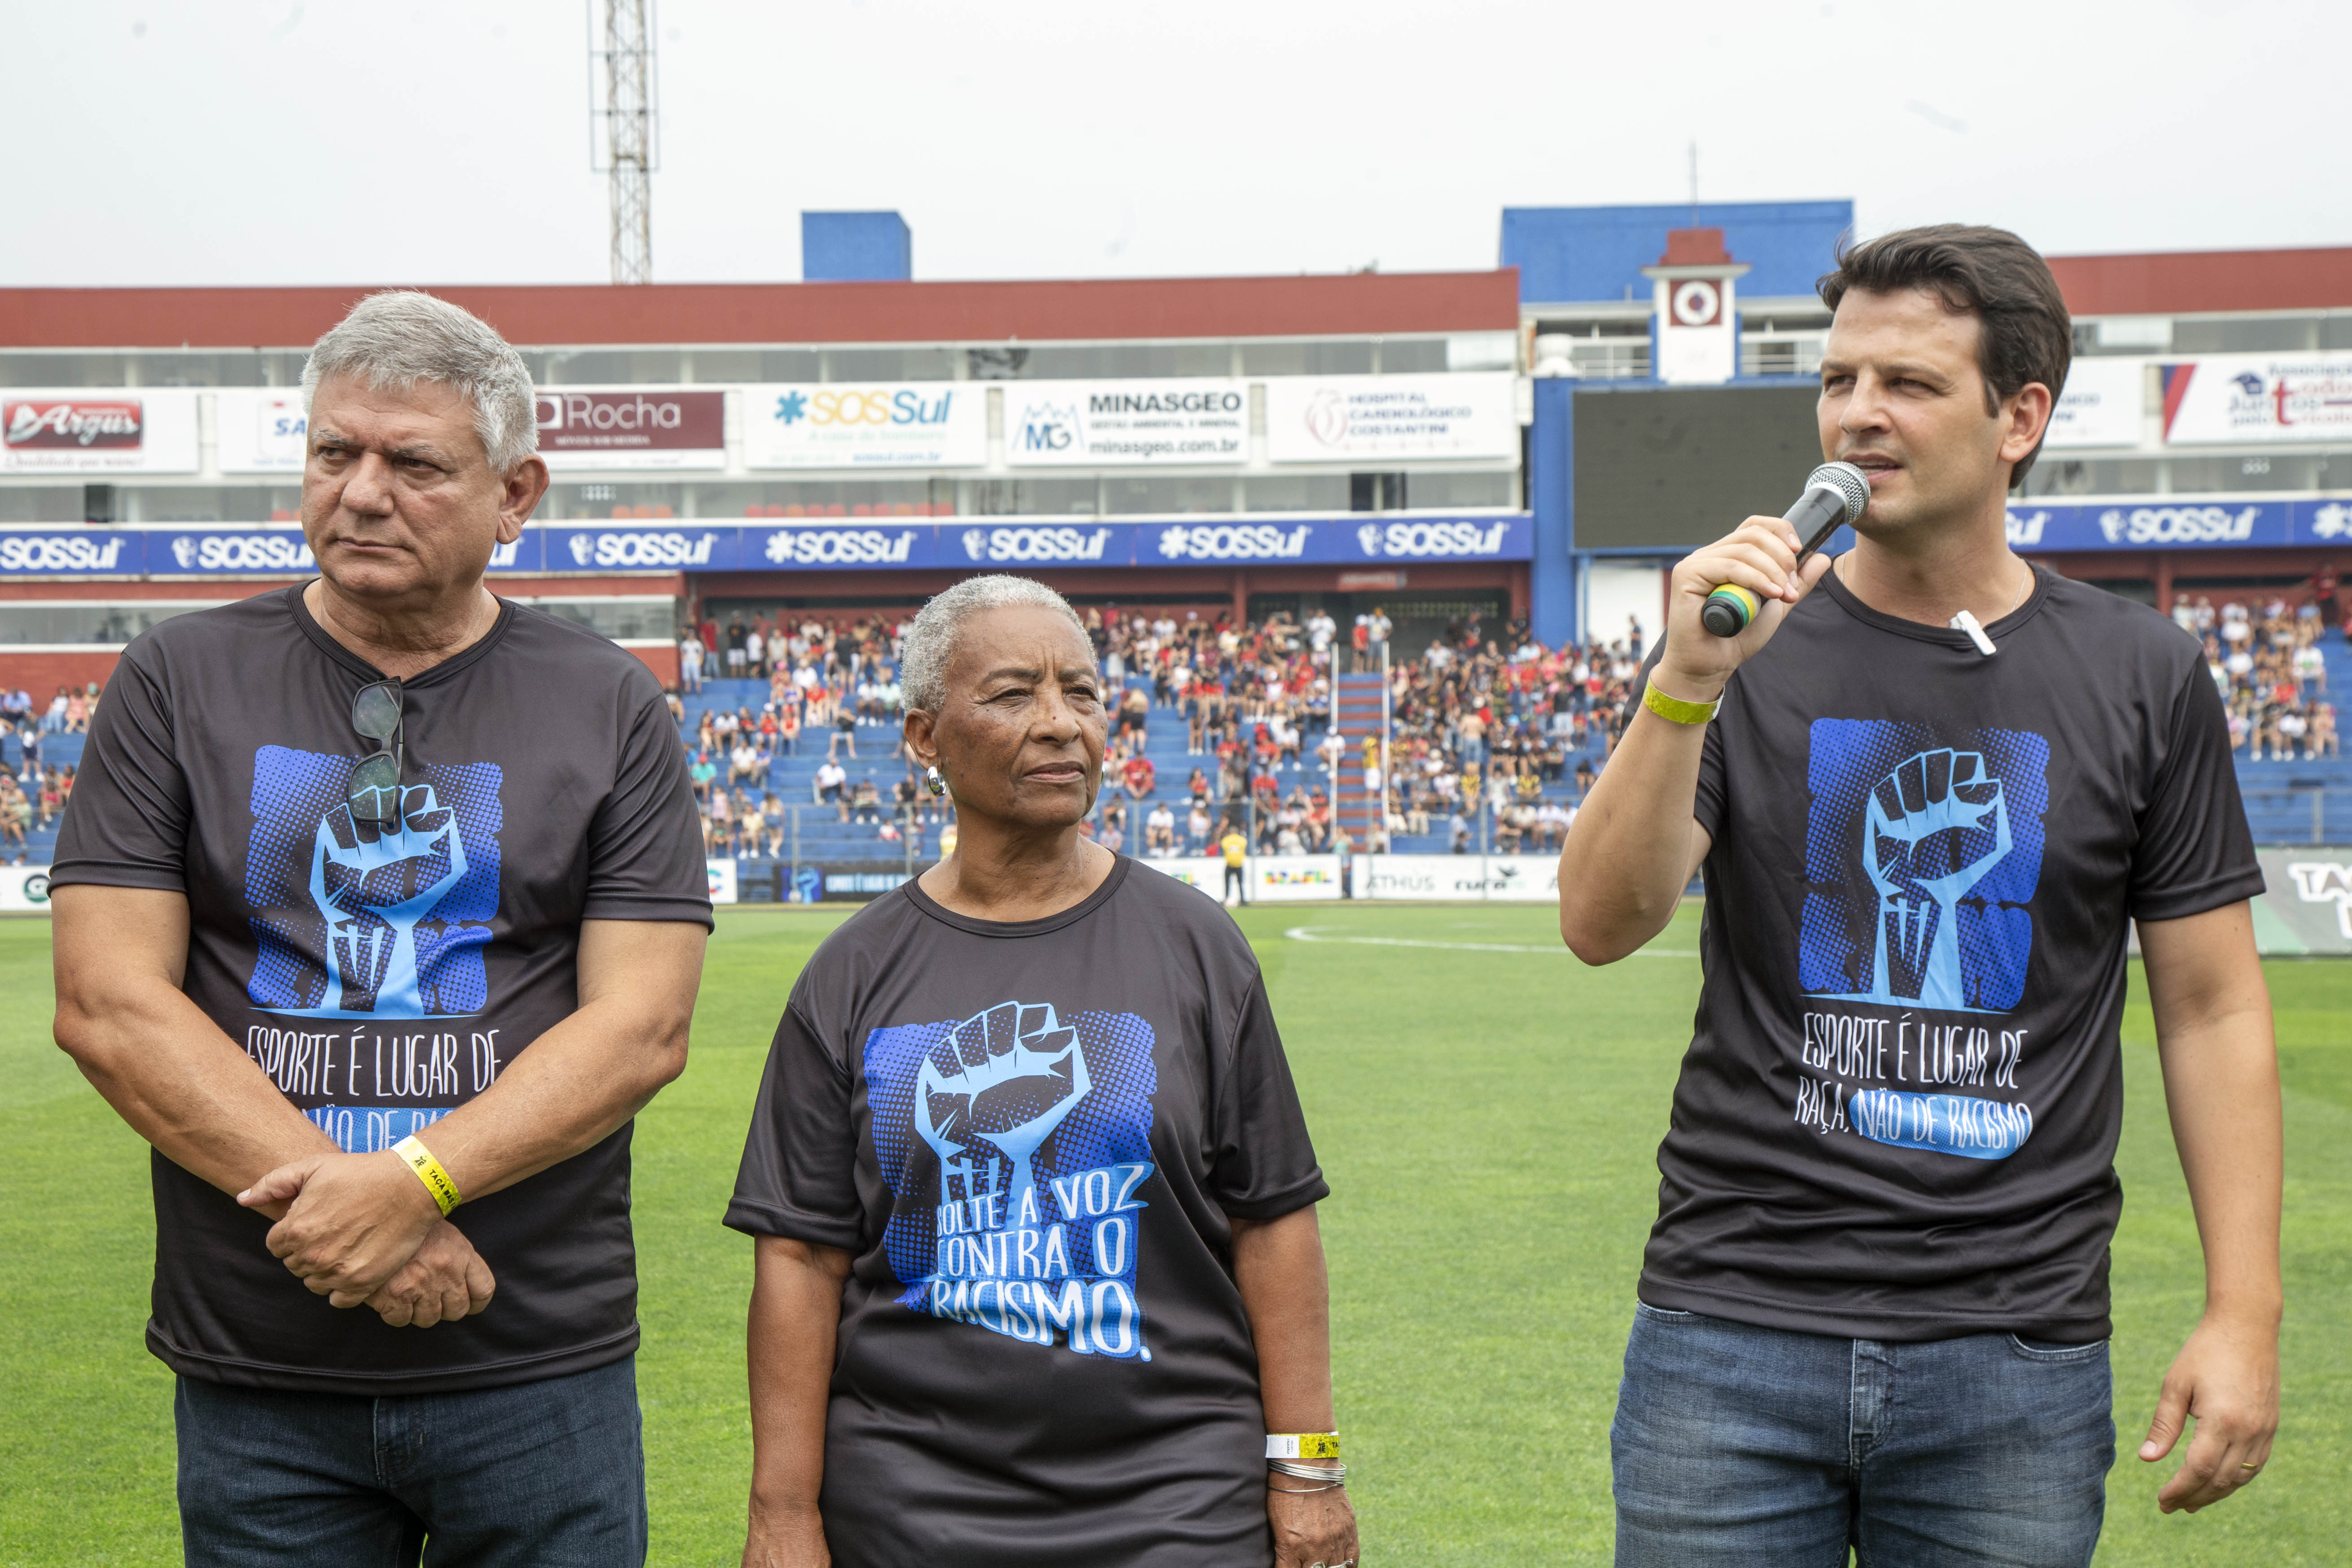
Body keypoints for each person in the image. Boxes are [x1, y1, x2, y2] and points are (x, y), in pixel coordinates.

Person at [1557, 226, 2280, 1563]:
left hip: (2010, 1353)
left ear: (2019, 417)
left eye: (1905, 383)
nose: (1856, 416)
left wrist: (2244, 1311)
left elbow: (2212, 1007)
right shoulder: (1742, 643)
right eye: (1837, 381)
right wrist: (1684, 685)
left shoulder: (2141, 672)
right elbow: (1601, 923)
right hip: (1730, 1330)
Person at [48, 291, 711, 1564]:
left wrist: (416, 1184)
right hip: (262, 1360)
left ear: (517, 493)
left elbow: (641, 1023)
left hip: (533, 1359)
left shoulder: (609, 702)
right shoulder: (175, 679)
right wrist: (357, 1224)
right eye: (332, 452)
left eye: (413, 463)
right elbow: (108, 1004)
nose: (359, 492)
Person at [726, 575, 1353, 1568]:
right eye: (1014, 694)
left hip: (1177, 1499)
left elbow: (1270, 1215)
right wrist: (783, 1513)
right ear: (925, 737)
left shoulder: (1197, 946)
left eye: (1084, 692)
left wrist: (1306, 1469)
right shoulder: (850, 976)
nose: (1061, 724)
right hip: (912, 1506)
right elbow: (801, 1258)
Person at [1220, 819, 1249, 906]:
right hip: (1239, 864)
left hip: (1230, 864)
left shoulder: (1226, 840)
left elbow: (1225, 849)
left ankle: (1226, 899)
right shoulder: (1242, 840)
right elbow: (1244, 849)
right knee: (1240, 883)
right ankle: (1243, 900)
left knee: (1227, 883)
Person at [680, 626, 706, 694]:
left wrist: (700, 662)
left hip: (695, 662)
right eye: (689, 635)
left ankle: (698, 690)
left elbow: (702, 653)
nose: (691, 636)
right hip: (687, 662)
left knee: (697, 677)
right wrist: (683, 661)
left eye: (692, 635)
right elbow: (682, 653)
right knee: (687, 677)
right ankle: (687, 690)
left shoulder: (698, 644)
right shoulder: (685, 644)